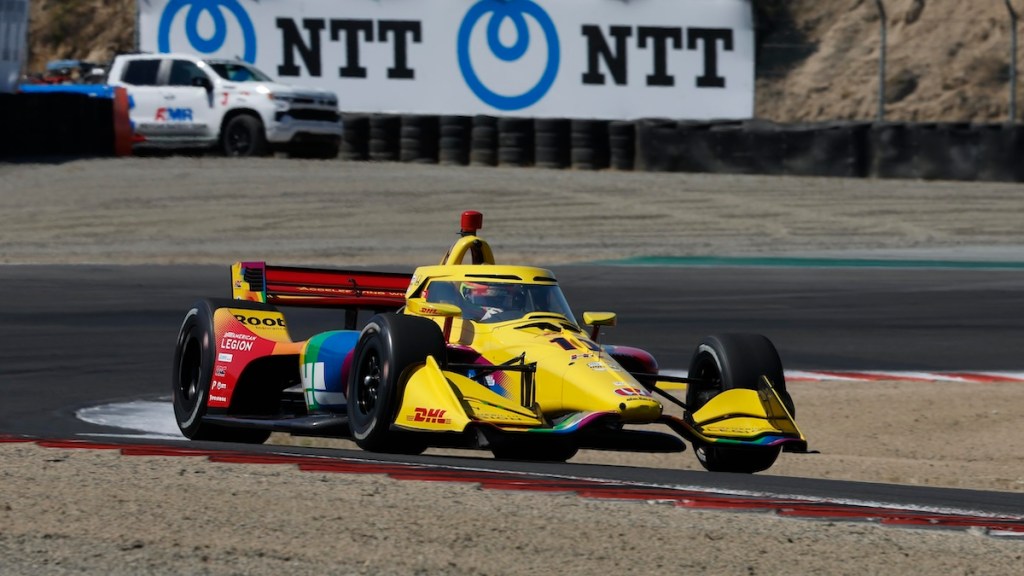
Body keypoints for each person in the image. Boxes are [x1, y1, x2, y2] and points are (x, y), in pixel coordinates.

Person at [460, 282, 526, 322]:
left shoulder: (516, 317)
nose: (492, 308)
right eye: (486, 299)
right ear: (467, 295)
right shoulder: (459, 317)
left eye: (500, 298)